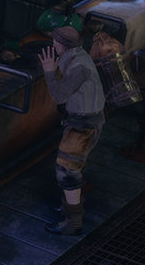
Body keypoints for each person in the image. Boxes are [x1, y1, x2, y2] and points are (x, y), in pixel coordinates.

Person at [39, 25, 104, 236]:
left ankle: (73, 222)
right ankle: (68, 206)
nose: (53, 45)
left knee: (67, 172)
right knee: (70, 168)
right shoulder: (77, 56)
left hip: (83, 126)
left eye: (55, 42)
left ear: (62, 44)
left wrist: (49, 72)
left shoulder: (78, 67)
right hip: (83, 122)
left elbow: (59, 95)